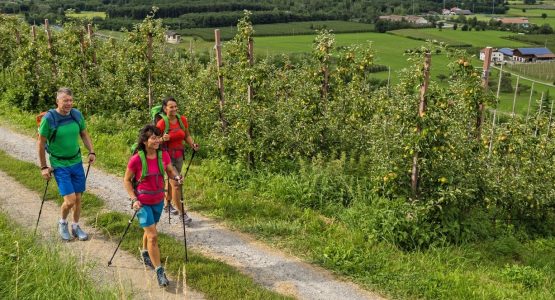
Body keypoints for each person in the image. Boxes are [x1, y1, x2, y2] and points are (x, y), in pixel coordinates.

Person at [123, 124, 183, 287]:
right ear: (144, 141)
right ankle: (159, 271)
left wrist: (177, 178)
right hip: (141, 203)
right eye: (154, 138)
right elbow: (127, 180)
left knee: (151, 230)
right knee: (153, 236)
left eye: (158, 137)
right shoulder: (136, 159)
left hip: (157, 200)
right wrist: (134, 199)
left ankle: (144, 252)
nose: (157, 140)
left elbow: (170, 171)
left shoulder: (163, 155)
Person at [38, 87, 96, 241]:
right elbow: (41, 143)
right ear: (58, 101)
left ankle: (76, 227)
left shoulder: (76, 114)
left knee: (78, 198)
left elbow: (84, 133)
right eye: (65, 100)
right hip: (59, 164)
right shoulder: (49, 119)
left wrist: (91, 151)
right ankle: (62, 222)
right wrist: (44, 167)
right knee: (69, 200)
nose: (69, 103)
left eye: (70, 100)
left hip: (76, 162)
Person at [156, 97, 199, 222]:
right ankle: (182, 213)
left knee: (171, 181)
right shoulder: (161, 123)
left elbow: (186, 135)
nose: (174, 109)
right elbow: (153, 141)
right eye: (171, 107)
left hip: (179, 156)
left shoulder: (182, 120)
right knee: (176, 183)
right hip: (166, 157)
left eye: (175, 106)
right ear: (165, 109)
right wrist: (162, 139)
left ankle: (166, 204)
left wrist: (192, 144)